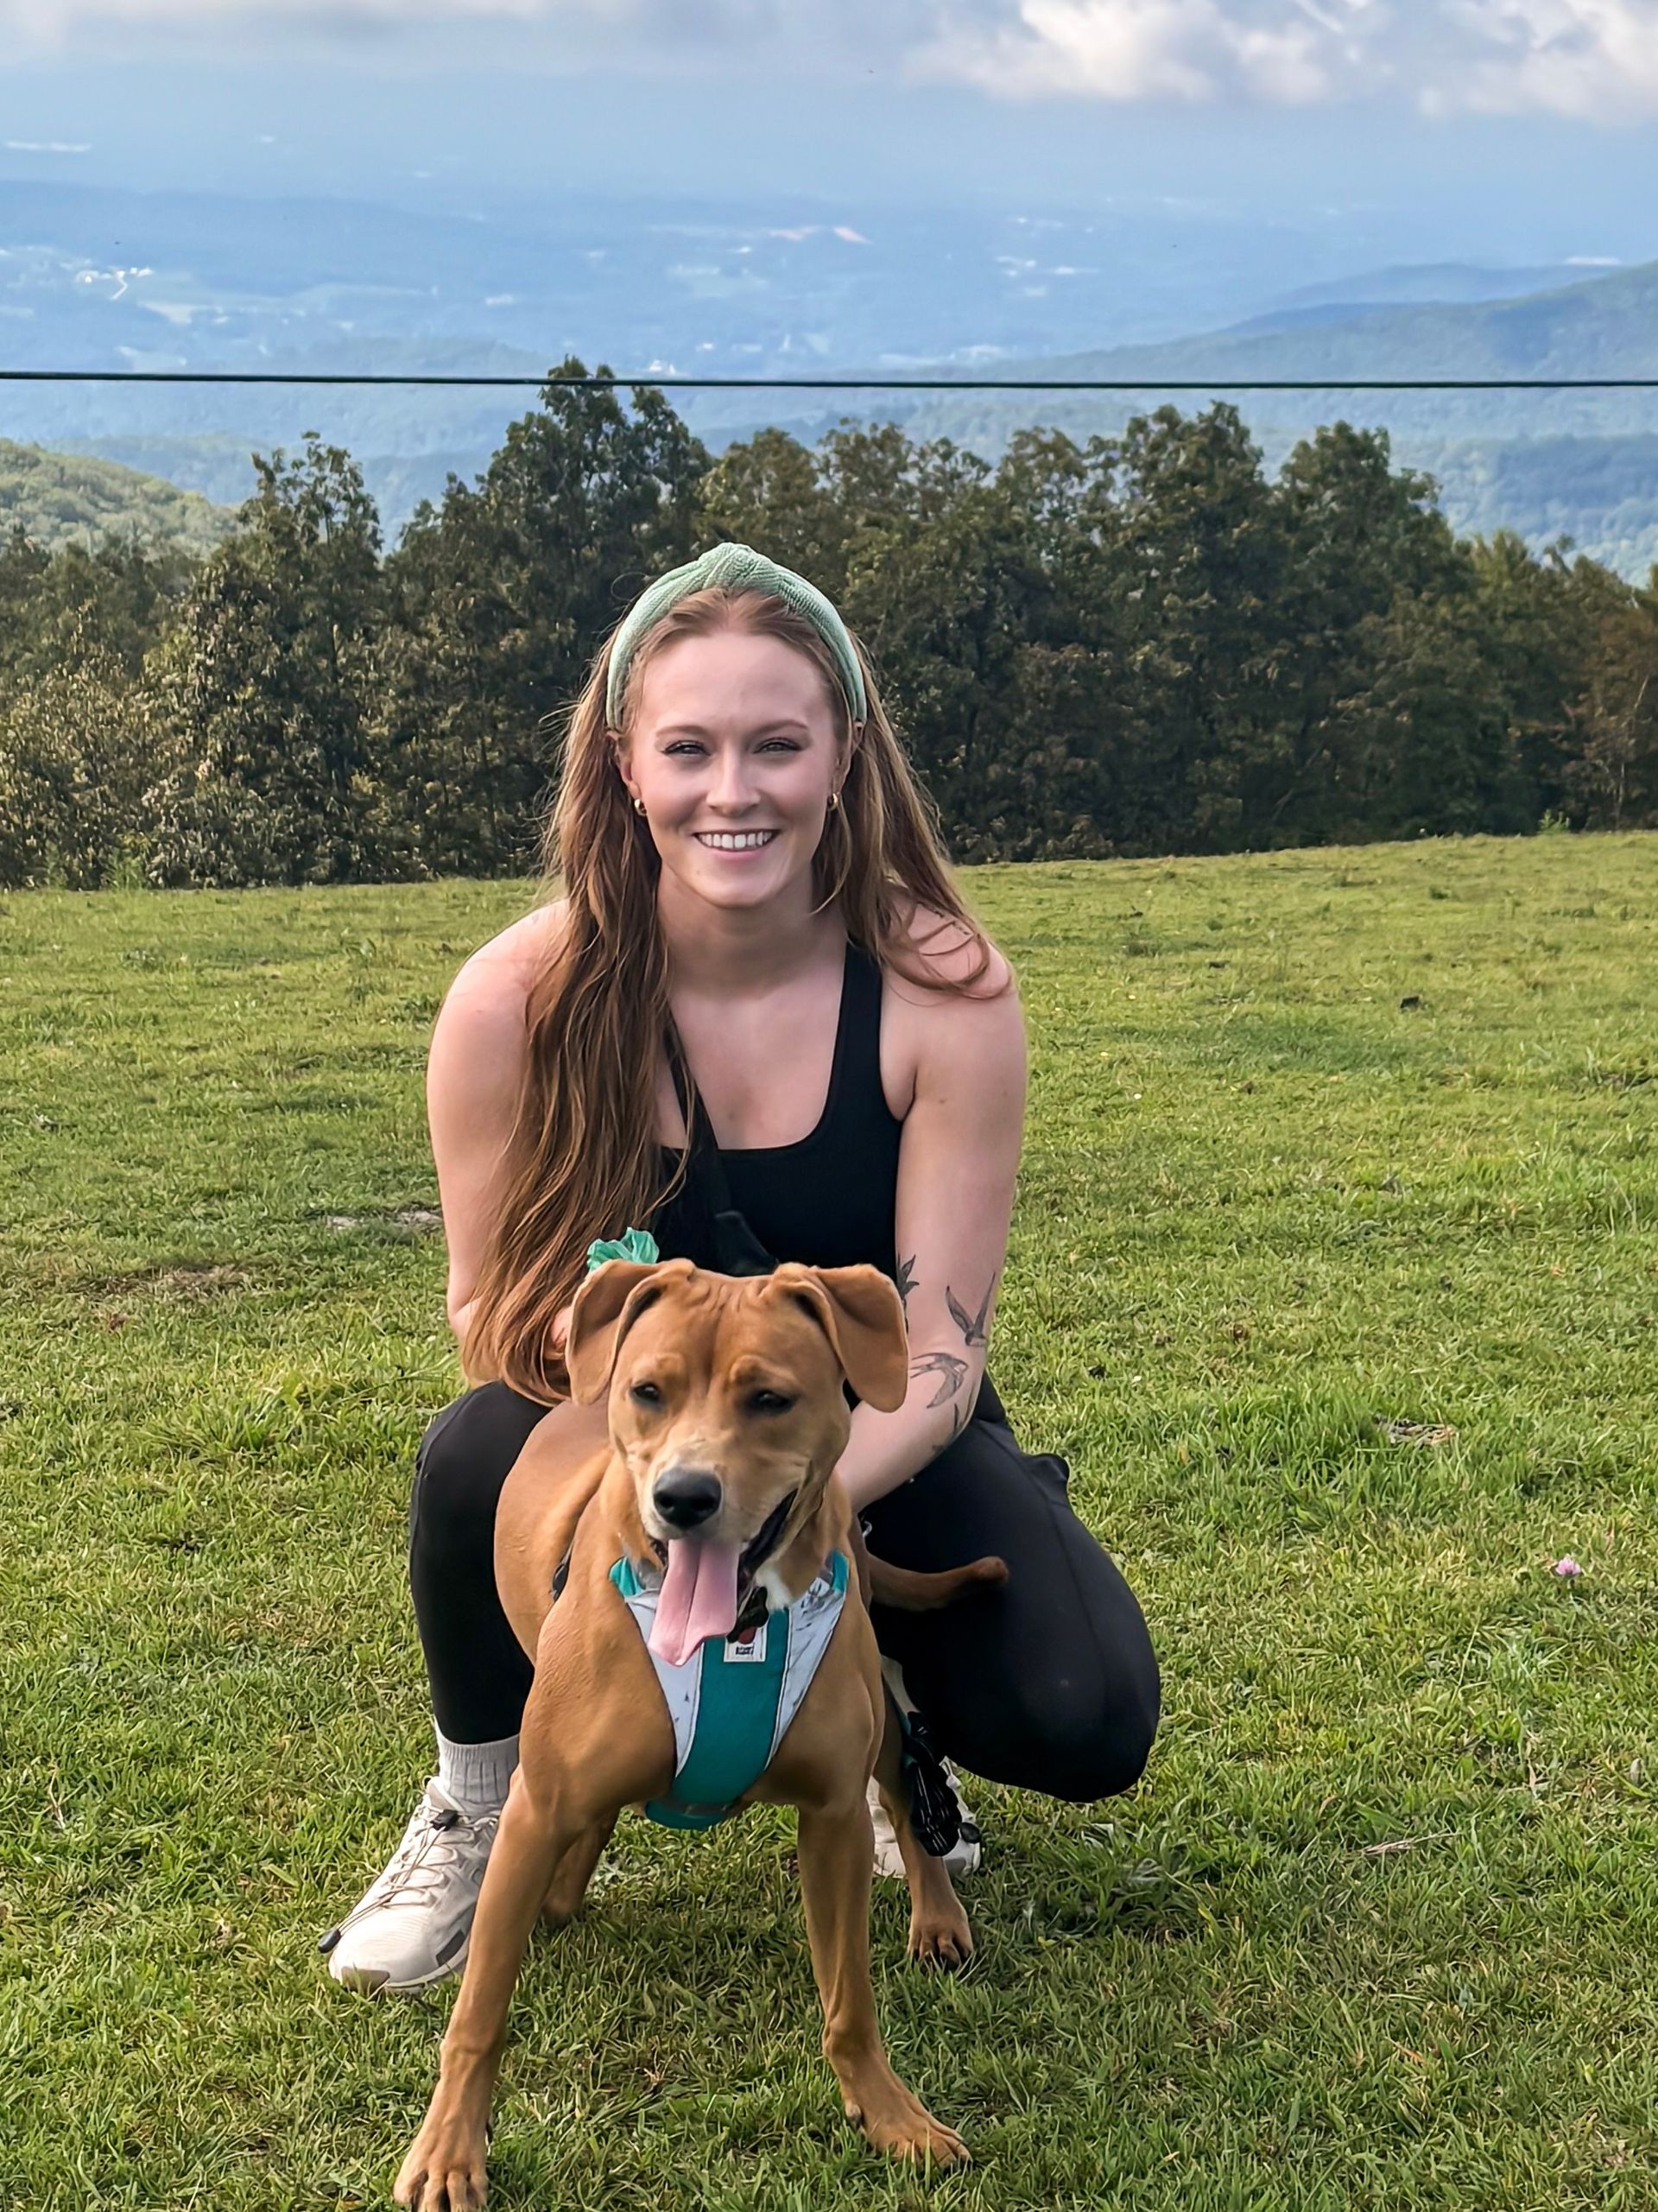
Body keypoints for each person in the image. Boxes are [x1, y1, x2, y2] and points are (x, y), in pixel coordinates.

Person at [323, 542, 1161, 1994]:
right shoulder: (513, 1001)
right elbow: (485, 1323)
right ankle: (477, 1796)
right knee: (469, 1451)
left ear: (844, 752)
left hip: (864, 1430)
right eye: (690, 748)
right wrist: (667, 1497)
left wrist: (789, 1520)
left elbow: (944, 1346)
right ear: (624, 762)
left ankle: (885, 1713)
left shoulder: (941, 986)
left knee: (1083, 1707)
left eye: (778, 744)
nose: (735, 791)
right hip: (627, 1440)